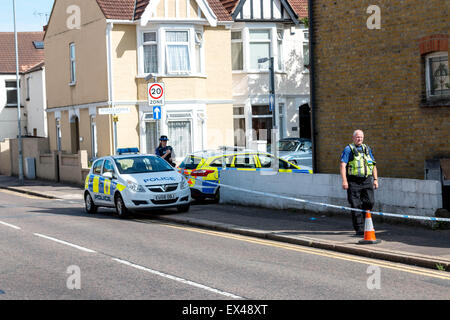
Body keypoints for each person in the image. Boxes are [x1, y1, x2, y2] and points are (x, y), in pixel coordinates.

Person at [340, 130, 378, 235]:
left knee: (370, 202)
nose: (359, 139)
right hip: (353, 181)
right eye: (357, 137)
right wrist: (344, 181)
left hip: (366, 180)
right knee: (355, 205)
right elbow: (343, 165)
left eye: (361, 137)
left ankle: (367, 224)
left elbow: (373, 165)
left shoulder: (367, 149)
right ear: (353, 138)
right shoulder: (348, 149)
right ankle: (360, 229)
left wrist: (375, 179)